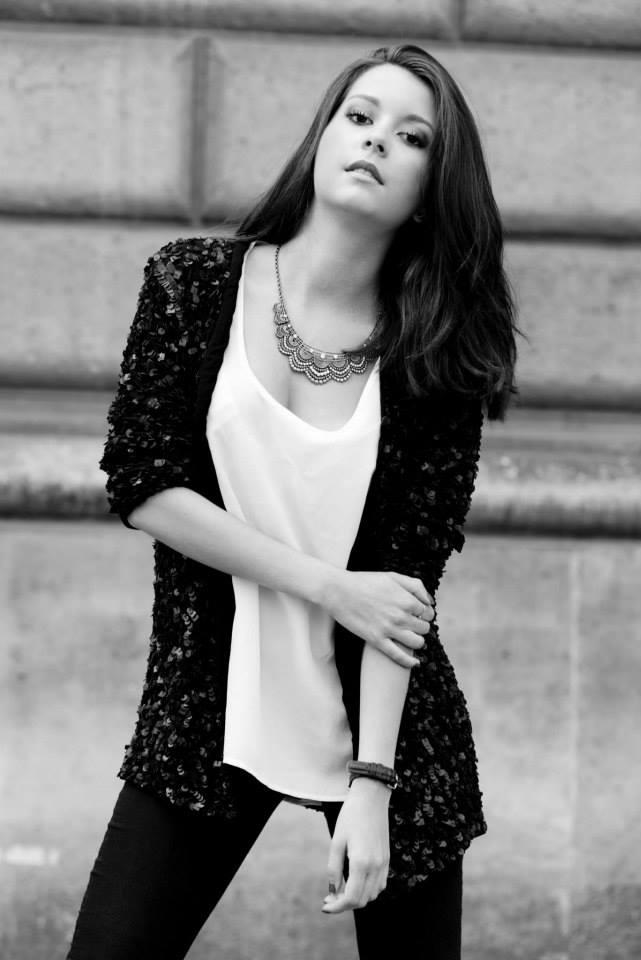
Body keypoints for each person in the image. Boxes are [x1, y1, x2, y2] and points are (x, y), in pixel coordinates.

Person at [66, 43, 519, 960]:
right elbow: (144, 483)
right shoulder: (194, 283)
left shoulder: (436, 353)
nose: (376, 141)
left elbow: (402, 586)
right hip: (210, 703)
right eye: (359, 117)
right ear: (321, 136)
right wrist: (326, 586)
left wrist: (374, 781)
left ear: (431, 189)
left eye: (412, 137)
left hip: (384, 731)